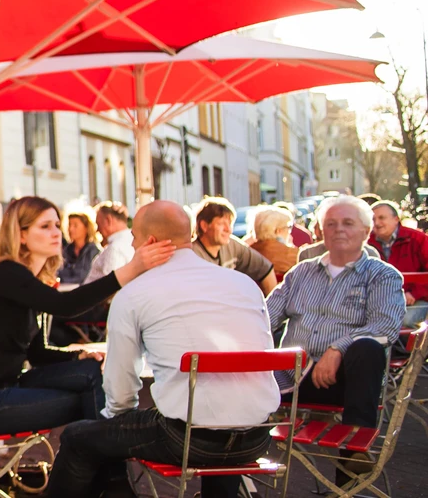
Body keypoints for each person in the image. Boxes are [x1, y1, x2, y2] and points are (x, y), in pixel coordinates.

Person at [44, 202, 280, 498]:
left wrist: (119, 426)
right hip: (258, 436)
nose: (131, 243)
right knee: (217, 414)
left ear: (151, 242)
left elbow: (120, 391)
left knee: (78, 437)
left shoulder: (134, 294)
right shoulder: (245, 285)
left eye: (134, 237)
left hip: (185, 441)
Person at [0, 196, 175, 435]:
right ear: (21, 235)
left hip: (11, 385)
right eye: (45, 227)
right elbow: (66, 305)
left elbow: (38, 353)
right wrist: (132, 269)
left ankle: (99, 466)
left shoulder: (32, 281)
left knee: (92, 371)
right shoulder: (5, 274)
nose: (56, 232)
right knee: (96, 401)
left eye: (57, 225)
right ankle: (106, 467)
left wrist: (79, 355)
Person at [268, 195, 403, 485]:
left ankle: (353, 458)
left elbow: (386, 325)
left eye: (348, 223)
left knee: (367, 346)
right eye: (331, 223)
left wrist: (337, 348)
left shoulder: (382, 275)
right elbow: (264, 319)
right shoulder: (300, 273)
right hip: (291, 379)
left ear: (366, 232)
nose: (339, 229)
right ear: (321, 231)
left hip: (346, 384)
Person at [191, 198, 276, 295]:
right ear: (204, 226)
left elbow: (264, 268)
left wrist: (272, 306)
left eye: (230, 224)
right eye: (222, 223)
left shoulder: (232, 245)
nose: (229, 230)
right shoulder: (191, 254)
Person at [369, 200, 428, 327]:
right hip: (378, 302)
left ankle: (412, 347)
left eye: (381, 218)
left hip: (415, 300)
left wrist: (414, 294)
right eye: (373, 219)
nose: (377, 223)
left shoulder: (418, 239)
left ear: (396, 219)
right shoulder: (366, 243)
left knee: (405, 320)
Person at [84, 202, 133, 284]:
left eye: (98, 224)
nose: (97, 230)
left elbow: (111, 288)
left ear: (108, 220)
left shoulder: (115, 249)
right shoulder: (132, 241)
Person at [250, 205, 300, 276]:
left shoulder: (248, 253)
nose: (290, 231)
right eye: (288, 227)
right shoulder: (292, 254)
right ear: (278, 231)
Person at [57, 211, 101, 286]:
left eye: (75, 226)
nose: (70, 229)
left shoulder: (93, 251)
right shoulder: (66, 250)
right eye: (69, 225)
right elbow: (57, 272)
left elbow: (84, 277)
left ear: (86, 228)